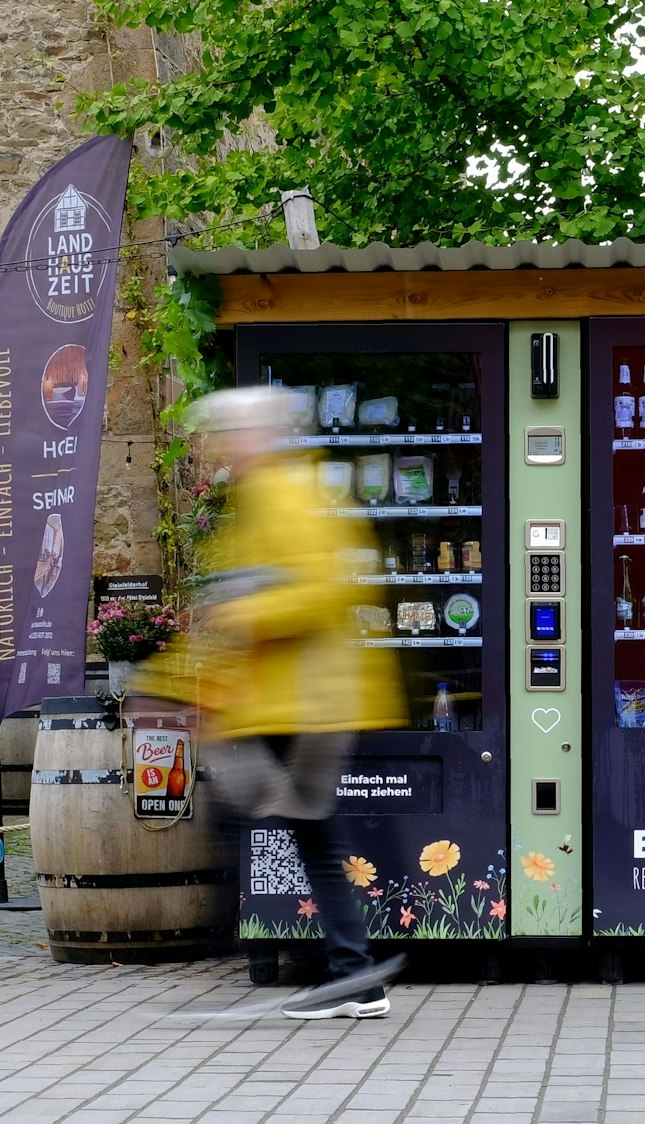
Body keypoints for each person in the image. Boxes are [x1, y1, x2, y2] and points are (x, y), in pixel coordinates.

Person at [138, 386, 406, 1019]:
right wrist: (176, 680)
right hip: (286, 702)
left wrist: (238, 614)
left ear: (254, 436)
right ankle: (356, 976)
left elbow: (322, 591)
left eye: (225, 436)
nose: (216, 449)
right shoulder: (263, 497)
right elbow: (229, 613)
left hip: (312, 702)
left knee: (264, 819)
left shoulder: (288, 495)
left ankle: (351, 973)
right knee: (306, 832)